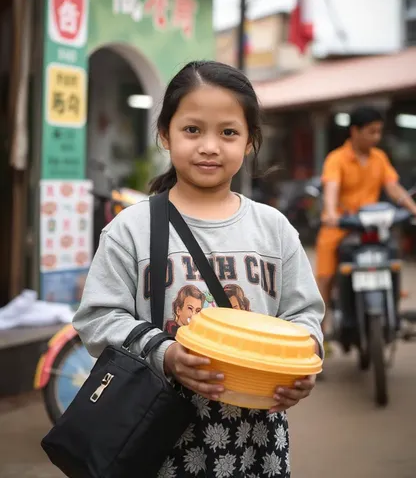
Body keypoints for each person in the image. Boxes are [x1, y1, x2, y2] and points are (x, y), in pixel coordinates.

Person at [73, 60, 324, 478]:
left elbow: (304, 316)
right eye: (193, 130)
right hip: (160, 430)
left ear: (249, 142)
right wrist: (166, 353)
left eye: (228, 132)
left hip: (258, 436)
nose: (210, 146)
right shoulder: (130, 229)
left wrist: (303, 365)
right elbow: (97, 318)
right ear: (164, 135)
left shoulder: (274, 229)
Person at [316, 106, 416, 345]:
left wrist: (413, 208)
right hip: (340, 225)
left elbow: (393, 187)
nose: (376, 137)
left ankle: (391, 304)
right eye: (371, 132)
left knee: (393, 257)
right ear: (355, 131)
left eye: (379, 132)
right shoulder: (336, 159)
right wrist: (330, 213)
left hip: (373, 226)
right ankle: (320, 336)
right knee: (325, 279)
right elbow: (331, 187)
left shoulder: (379, 158)